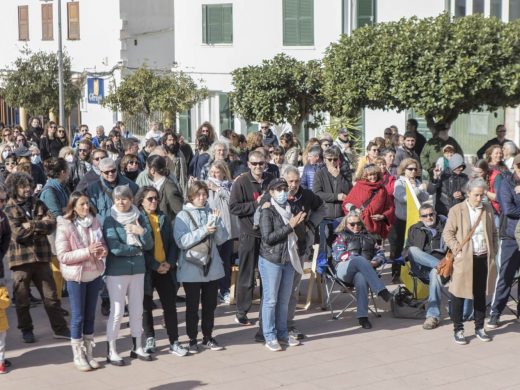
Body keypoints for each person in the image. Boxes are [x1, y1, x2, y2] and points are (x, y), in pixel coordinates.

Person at [3, 172, 70, 343]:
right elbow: (17, 234)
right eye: (23, 186)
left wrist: (31, 225)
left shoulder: (38, 203)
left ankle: (60, 329)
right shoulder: (9, 208)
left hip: (41, 258)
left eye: (29, 186)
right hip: (20, 261)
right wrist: (39, 226)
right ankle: (26, 330)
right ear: (14, 188)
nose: (27, 189)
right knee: (22, 300)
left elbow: (52, 223)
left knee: (51, 297)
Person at [174, 181, 228, 353]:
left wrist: (217, 224)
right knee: (192, 306)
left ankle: (207, 336)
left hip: (211, 266)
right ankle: (192, 338)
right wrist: (205, 229)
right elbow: (182, 241)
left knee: (210, 304)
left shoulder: (211, 211)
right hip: (192, 266)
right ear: (191, 196)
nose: (202, 198)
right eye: (198, 195)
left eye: (204, 194)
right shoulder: (182, 215)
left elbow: (221, 239)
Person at [56, 192, 107, 371]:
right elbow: (62, 255)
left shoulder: (94, 221)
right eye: (82, 205)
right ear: (73, 208)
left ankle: (89, 353)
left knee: (91, 315)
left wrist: (102, 251)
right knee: (78, 316)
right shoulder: (65, 226)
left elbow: (101, 244)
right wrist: (87, 251)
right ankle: (78, 354)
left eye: (87, 204)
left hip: (93, 275)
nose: (86, 207)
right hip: (76, 277)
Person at [136, 186, 189, 357]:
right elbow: (140, 248)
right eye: (150, 198)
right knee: (146, 307)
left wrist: (170, 263)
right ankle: (150, 338)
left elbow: (172, 243)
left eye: (156, 198)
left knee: (170, 306)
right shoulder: (138, 219)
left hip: (165, 268)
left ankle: (174, 341)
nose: (153, 201)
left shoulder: (163, 218)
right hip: (147, 270)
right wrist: (154, 265)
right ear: (141, 201)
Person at [103, 185, 154, 365]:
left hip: (138, 270)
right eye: (117, 199)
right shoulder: (110, 219)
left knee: (137, 309)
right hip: (117, 271)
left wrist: (142, 232)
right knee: (116, 311)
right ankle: (112, 350)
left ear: (131, 200)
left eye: (124, 198)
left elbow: (148, 244)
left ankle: (137, 346)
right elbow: (115, 247)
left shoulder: (139, 216)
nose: (121, 202)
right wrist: (135, 248)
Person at [443, 178, 497, 345]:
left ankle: (479, 327)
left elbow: (493, 233)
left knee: (480, 294)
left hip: (483, 256)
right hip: (464, 259)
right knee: (458, 294)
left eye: (482, 195)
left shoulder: (488, 209)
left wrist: (493, 250)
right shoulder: (457, 210)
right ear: (468, 193)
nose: (480, 198)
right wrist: (457, 250)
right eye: (476, 195)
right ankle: (458, 329)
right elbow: (448, 233)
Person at [257, 178, 305, 351]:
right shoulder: (267, 211)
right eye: (278, 189)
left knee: (284, 300)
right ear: (271, 192)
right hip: (271, 259)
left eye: (285, 189)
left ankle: (283, 333)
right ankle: (269, 335)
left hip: (289, 258)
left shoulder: (292, 208)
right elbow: (268, 238)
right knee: (271, 300)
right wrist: (290, 226)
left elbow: (300, 235)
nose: (283, 192)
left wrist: (299, 224)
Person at [230, 150, 274, 325]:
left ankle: (266, 311)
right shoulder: (241, 182)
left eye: (261, 163)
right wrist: (255, 204)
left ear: (266, 163)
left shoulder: (271, 179)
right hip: (249, 233)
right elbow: (233, 207)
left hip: (268, 234)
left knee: (267, 275)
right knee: (246, 274)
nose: (258, 167)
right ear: (248, 164)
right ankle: (241, 311)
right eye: (254, 164)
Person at [332, 211, 392, 329]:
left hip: (365, 272)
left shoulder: (370, 237)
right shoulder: (341, 236)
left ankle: (362, 317)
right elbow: (339, 255)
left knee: (361, 277)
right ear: (345, 224)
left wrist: (375, 262)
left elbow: (380, 254)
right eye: (352, 224)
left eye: (358, 223)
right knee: (359, 260)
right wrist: (361, 261)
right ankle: (381, 291)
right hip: (345, 270)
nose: (356, 226)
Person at [284, 166, 324, 340]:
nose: (294, 184)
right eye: (290, 181)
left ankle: (288, 324)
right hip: (278, 248)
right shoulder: (276, 192)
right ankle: (270, 325)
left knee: (293, 288)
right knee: (276, 290)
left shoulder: (307, 195)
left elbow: (321, 209)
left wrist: (310, 225)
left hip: (299, 246)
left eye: (297, 181)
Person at [391, 158, 436, 281]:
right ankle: (396, 273)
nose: (413, 171)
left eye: (415, 169)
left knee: (415, 247)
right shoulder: (399, 182)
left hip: (416, 221)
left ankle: (414, 274)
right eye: (410, 169)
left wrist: (421, 188)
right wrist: (419, 189)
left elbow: (425, 197)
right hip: (402, 220)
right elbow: (403, 198)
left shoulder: (416, 181)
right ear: (404, 170)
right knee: (399, 247)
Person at [488, 154, 520, 329]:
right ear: (515, 167)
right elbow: (508, 210)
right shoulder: (506, 182)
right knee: (505, 276)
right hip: (510, 236)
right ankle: (495, 313)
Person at [404, 204, 447, 330]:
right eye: (425, 215)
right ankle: (438, 265)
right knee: (413, 249)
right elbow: (406, 250)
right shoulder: (414, 229)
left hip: (443, 270)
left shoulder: (445, 227)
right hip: (421, 268)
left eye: (431, 214)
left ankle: (432, 316)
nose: (429, 217)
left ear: (435, 213)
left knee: (435, 272)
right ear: (420, 218)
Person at [39, 158, 71, 307]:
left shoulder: (61, 187)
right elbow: (57, 215)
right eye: (67, 169)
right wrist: (70, 210)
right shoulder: (50, 190)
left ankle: (57, 301)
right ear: (63, 172)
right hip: (53, 237)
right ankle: (55, 305)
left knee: (59, 272)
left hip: (61, 234)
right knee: (55, 273)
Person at [206, 161, 239, 304]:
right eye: (212, 172)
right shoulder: (205, 185)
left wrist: (218, 188)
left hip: (227, 231)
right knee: (212, 260)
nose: (214, 175)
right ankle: (210, 291)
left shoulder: (230, 185)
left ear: (224, 172)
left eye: (217, 172)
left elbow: (232, 200)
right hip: (213, 230)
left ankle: (224, 290)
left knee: (225, 262)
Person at [313, 147, 352, 258]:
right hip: (325, 217)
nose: (332, 162)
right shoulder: (319, 174)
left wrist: (339, 177)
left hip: (340, 217)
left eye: (335, 159)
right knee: (326, 249)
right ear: (324, 160)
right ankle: (326, 273)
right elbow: (317, 194)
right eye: (329, 159)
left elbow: (349, 191)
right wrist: (336, 196)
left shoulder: (343, 174)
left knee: (340, 247)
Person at [343, 164, 394, 239]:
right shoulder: (359, 186)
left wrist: (383, 216)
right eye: (370, 175)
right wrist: (354, 209)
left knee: (374, 248)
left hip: (375, 227)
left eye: (374, 174)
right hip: (359, 225)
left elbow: (389, 207)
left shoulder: (382, 189)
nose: (373, 177)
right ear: (365, 176)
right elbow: (346, 203)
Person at [146, 155, 184, 220]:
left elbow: (181, 213)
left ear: (152, 170)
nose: (145, 171)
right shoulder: (154, 185)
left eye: (146, 168)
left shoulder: (170, 188)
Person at [0, 280, 9, 374]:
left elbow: (6, 303)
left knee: (1, 346)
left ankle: (1, 364)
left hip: (1, 324)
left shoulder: (2, 289)